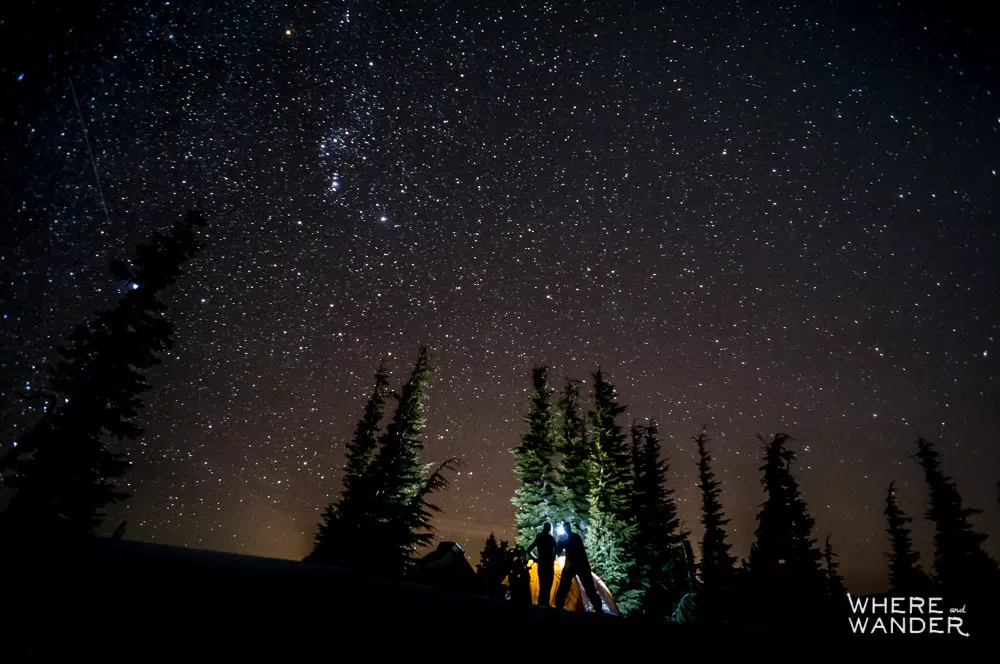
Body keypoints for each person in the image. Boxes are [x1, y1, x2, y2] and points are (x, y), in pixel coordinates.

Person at [554, 521, 603, 613]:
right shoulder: (576, 537)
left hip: (572, 564)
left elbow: (559, 553)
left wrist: (558, 543)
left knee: (564, 585)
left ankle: (559, 606)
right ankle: (598, 608)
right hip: (581, 564)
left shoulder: (564, 538)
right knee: (589, 587)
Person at [523, 522, 556, 606]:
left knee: (544, 585)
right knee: (547, 585)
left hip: (543, 564)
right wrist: (552, 557)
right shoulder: (549, 538)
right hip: (547, 564)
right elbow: (555, 549)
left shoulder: (542, 538)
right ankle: (544, 604)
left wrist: (536, 559)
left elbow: (529, 549)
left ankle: (542, 604)